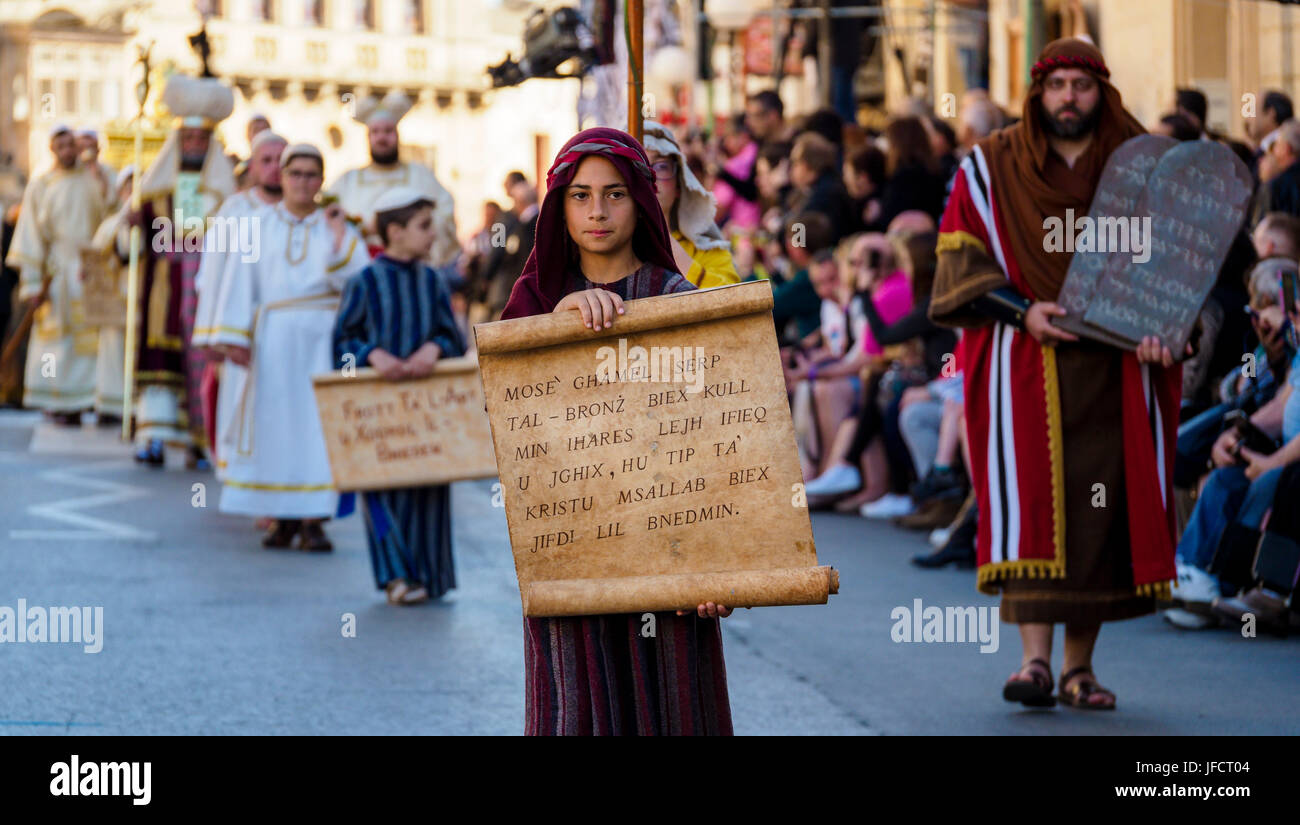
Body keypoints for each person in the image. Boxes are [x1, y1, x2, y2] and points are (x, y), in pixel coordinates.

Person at [930, 38, 1183, 710]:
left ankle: (1080, 669)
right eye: (1057, 84)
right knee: (1030, 506)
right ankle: (1033, 664)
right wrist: (1021, 311)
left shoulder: (1144, 166)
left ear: (1102, 91)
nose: (1069, 97)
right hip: (1025, 361)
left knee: (1097, 517)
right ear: (1038, 93)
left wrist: (1170, 329)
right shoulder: (991, 165)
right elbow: (961, 262)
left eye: (1081, 84)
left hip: (1113, 369)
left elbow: (1180, 269)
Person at [500, 127, 733, 736]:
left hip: (670, 548)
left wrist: (722, 565)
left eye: (614, 194)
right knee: (579, 709)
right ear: (558, 206)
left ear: (640, 201)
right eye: (579, 196)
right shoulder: (534, 300)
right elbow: (501, 421)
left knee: (672, 707)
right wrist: (552, 327)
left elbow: (720, 439)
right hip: (571, 547)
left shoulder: (678, 300)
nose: (597, 211)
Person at [207, 143, 368, 550]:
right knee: (274, 422)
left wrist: (335, 233)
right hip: (272, 338)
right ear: (281, 176)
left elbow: (359, 277)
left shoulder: (335, 226)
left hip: (321, 338)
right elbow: (240, 280)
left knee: (318, 426)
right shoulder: (257, 224)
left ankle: (314, 519)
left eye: (312, 175)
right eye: (295, 173)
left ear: (320, 181)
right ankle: (280, 517)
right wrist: (234, 336)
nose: (302, 182)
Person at [333, 187, 466, 605]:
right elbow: (341, 343)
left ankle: (428, 575)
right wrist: (371, 355)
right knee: (382, 488)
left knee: (428, 486)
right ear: (395, 231)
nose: (432, 236)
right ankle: (396, 578)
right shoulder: (364, 282)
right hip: (377, 413)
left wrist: (435, 348)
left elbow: (453, 337)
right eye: (424, 227)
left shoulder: (432, 281)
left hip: (427, 412)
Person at [132, 75, 236, 465]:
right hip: (164, 287)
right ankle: (155, 436)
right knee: (159, 361)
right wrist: (129, 226)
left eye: (200, 140)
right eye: (187, 139)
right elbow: (129, 247)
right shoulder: (156, 191)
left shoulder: (225, 194)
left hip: (207, 290)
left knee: (204, 359)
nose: (193, 146)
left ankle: (201, 437)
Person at [192, 129, 287, 475]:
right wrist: (213, 336)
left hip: (288, 332)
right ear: (252, 166)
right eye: (267, 160)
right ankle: (243, 477)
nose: (275, 168)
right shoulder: (234, 210)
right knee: (239, 404)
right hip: (241, 328)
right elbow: (212, 276)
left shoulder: (304, 212)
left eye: (281, 161)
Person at [3, 124, 108, 424]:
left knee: (91, 342)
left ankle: (90, 398)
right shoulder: (42, 185)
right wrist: (33, 283)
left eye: (71, 145)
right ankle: (57, 400)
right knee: (56, 343)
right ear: (52, 149)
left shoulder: (93, 179)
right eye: (60, 145)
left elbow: (109, 210)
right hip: (57, 273)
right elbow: (31, 236)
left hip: (89, 269)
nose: (67, 151)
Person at [329, 91, 458, 264]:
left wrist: (409, 233)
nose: (382, 138)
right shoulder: (346, 182)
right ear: (368, 137)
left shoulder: (421, 176)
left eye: (388, 131)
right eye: (375, 132)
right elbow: (329, 222)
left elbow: (444, 217)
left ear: (397, 135)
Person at [642, 121, 739, 289]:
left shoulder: (708, 250)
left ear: (680, 184)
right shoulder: (600, 249)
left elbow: (734, 303)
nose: (649, 176)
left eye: (661, 166)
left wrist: (663, 239)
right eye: (637, 166)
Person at [87, 166, 135, 425]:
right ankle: (110, 401)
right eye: (129, 187)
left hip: (140, 299)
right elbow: (96, 258)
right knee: (112, 350)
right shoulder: (109, 225)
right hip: (115, 297)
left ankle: (136, 406)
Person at [75, 129, 115, 201]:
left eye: (90, 147)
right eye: (82, 147)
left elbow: (111, 200)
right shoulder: (71, 172)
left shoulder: (108, 171)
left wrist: (99, 175)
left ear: (98, 150)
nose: (86, 151)